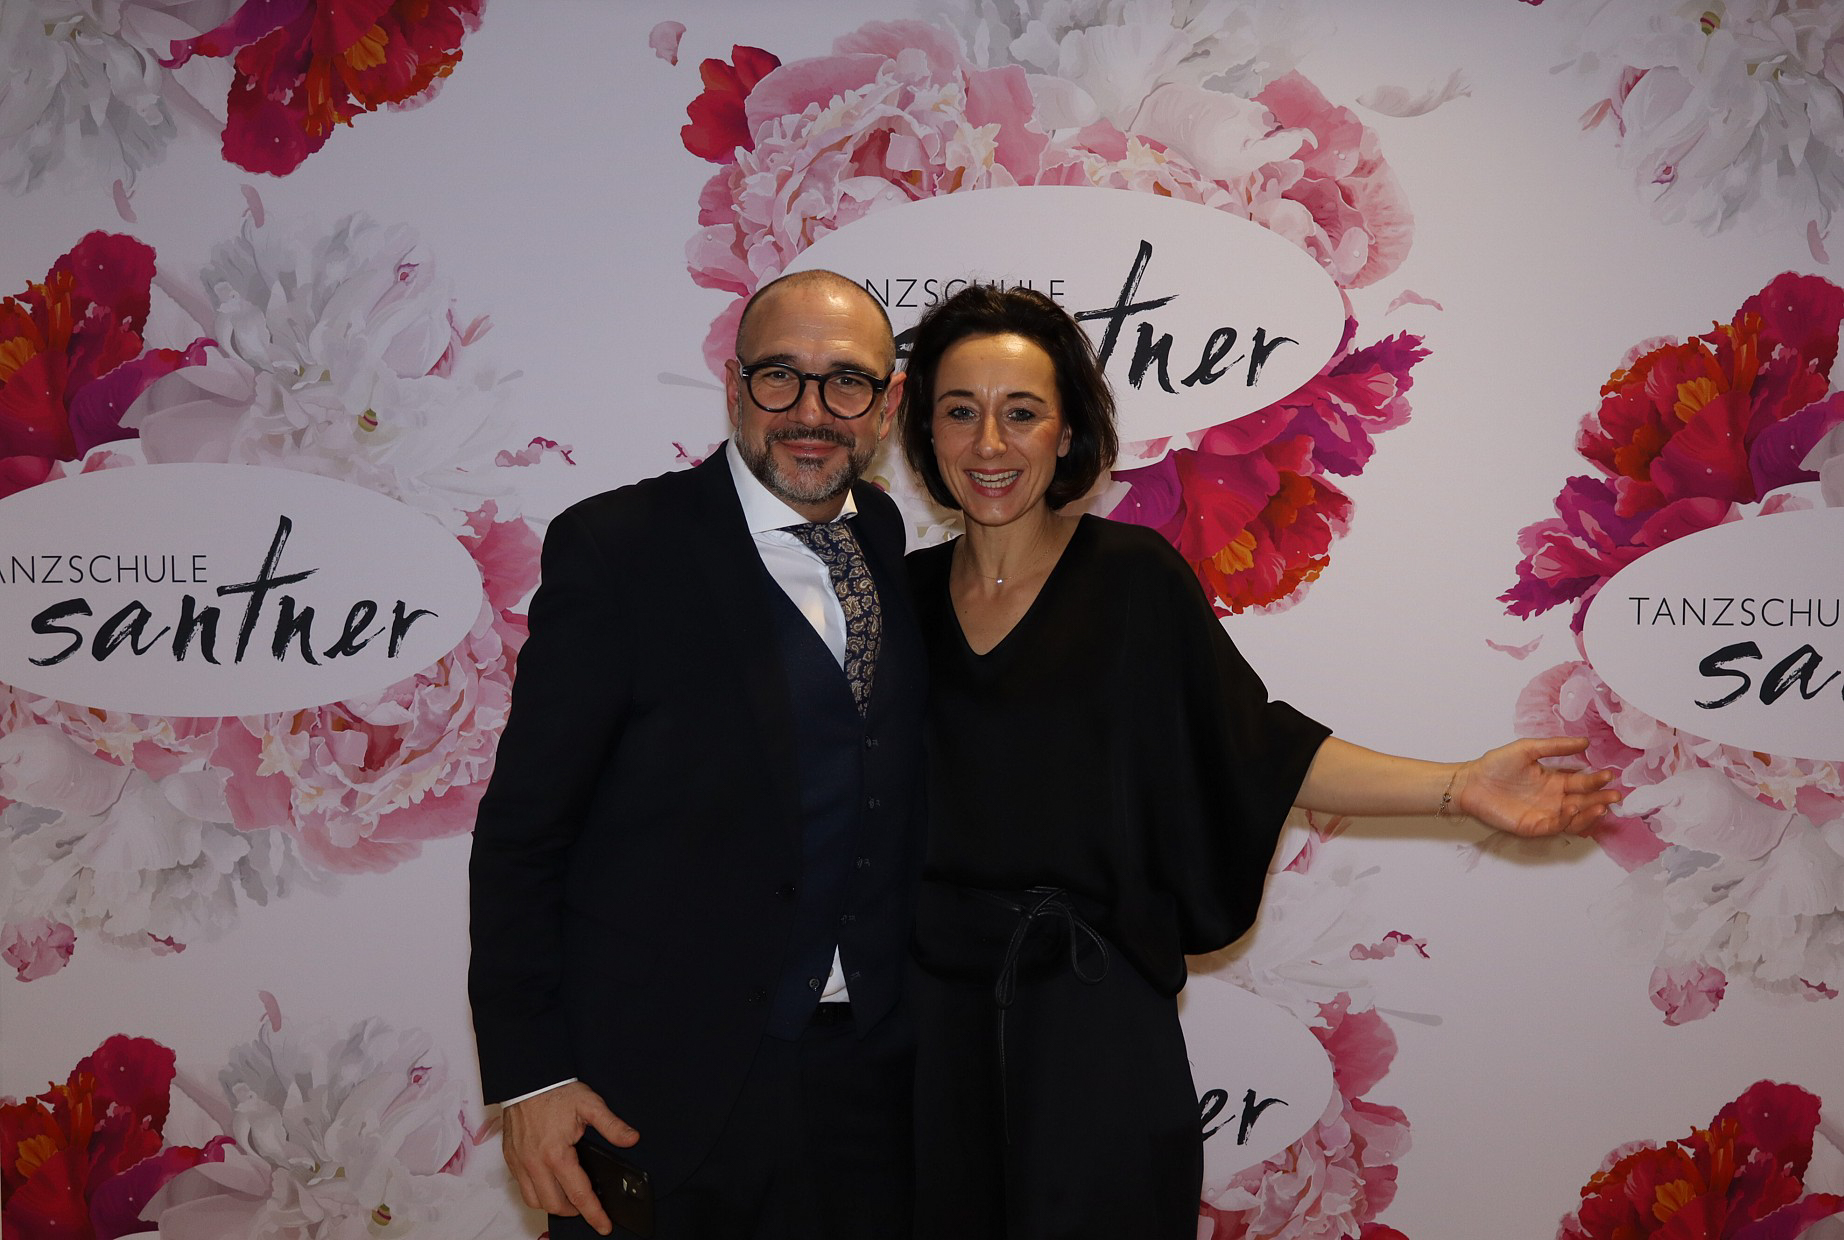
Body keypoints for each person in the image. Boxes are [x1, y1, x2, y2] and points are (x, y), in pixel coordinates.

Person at [896, 284, 1619, 1239]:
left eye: (1021, 412)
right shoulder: (895, 600)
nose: (990, 442)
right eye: (961, 411)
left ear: (1066, 432)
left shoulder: (1130, 580)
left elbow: (1259, 746)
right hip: (928, 1028)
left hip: (1091, 1024)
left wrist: (1458, 787)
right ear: (928, 432)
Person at [468, 269, 925, 1239]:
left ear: (886, 405)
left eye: (846, 382)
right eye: (779, 376)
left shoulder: (882, 537)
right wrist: (532, 1075)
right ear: (732, 386)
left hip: (866, 1089)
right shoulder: (618, 548)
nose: (811, 411)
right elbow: (523, 833)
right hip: (657, 1094)